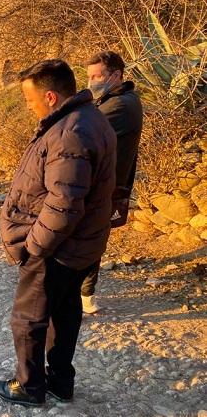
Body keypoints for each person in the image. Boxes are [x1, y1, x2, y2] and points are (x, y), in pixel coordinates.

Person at [0, 59, 116, 406]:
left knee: (29, 318)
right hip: (78, 247)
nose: (28, 106)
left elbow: (64, 204)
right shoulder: (88, 120)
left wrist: (34, 247)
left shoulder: (69, 133)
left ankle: (29, 386)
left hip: (57, 249)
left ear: (49, 96)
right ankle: (60, 381)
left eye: (30, 100)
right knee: (64, 313)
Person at [82, 51, 143, 314]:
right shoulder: (108, 99)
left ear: (116, 75)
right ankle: (83, 293)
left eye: (97, 76)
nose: (91, 82)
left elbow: (82, 132)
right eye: (89, 77)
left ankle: (85, 296)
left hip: (105, 186)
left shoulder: (122, 105)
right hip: (98, 183)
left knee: (90, 236)